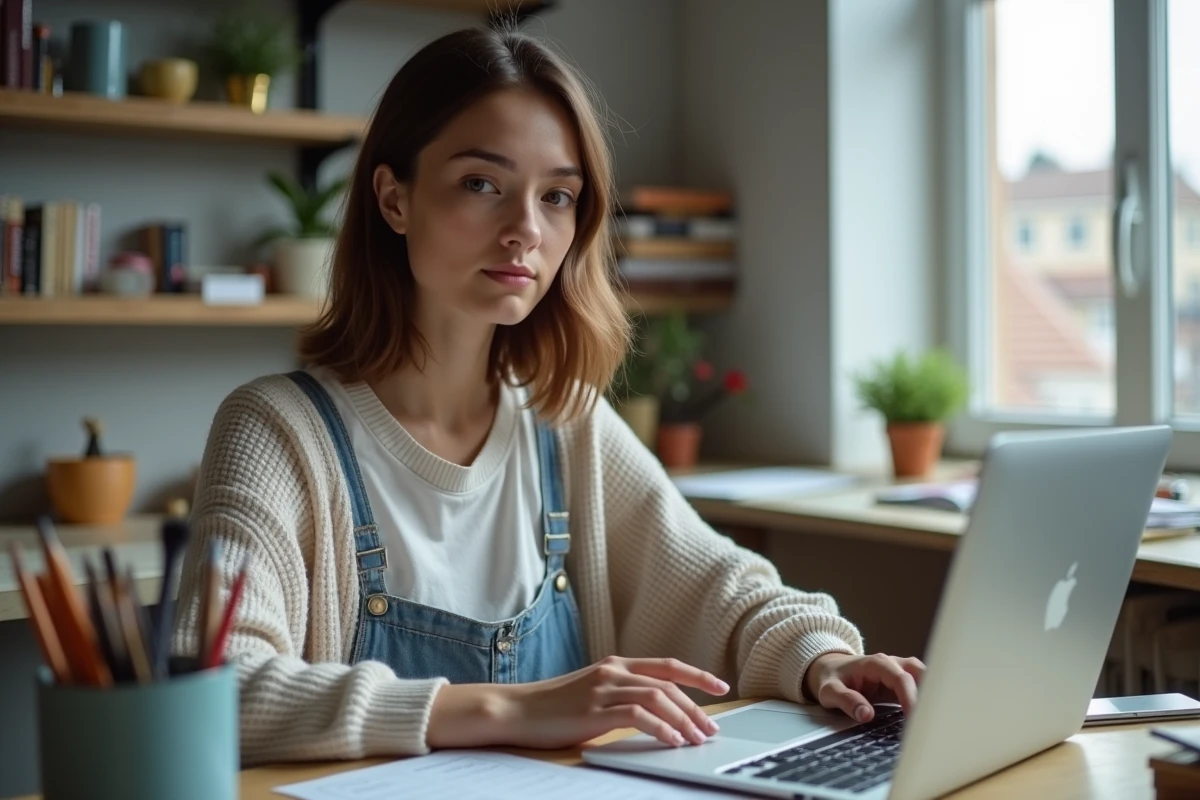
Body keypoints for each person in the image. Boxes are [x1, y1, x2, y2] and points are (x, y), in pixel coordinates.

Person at [173, 25, 924, 767]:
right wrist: (514, 708)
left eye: (558, 196)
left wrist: (821, 660)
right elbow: (212, 688)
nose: (525, 230)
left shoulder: (564, 423)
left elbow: (718, 586)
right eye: (482, 184)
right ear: (393, 200)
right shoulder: (277, 430)